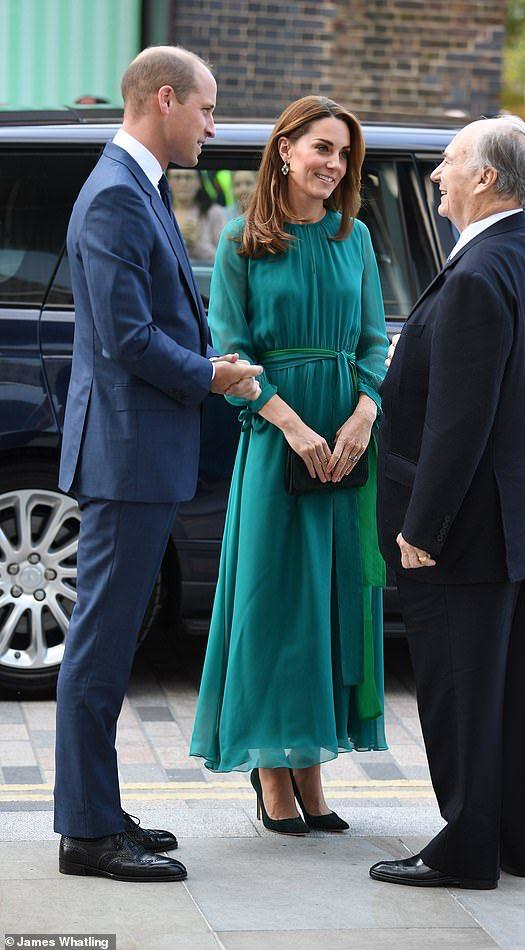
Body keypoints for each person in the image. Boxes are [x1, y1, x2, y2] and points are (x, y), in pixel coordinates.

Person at [54, 46, 262, 884]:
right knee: (100, 647)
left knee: (114, 640)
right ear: (165, 99)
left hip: (141, 451)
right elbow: (126, 339)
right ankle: (88, 835)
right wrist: (211, 374)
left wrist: (212, 356)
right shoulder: (113, 195)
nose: (213, 128)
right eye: (207, 110)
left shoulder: (134, 185)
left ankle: (95, 811)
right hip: (127, 456)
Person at [369, 116, 525, 889]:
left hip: (467, 528)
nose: (436, 176)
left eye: (450, 162)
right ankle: (515, 842)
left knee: (460, 694)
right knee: (511, 693)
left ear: (485, 178)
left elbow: (462, 418)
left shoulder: (481, 272)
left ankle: (464, 850)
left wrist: (423, 525)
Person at [190, 96, 388, 833]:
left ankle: (311, 764)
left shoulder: (355, 238)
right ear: (284, 151)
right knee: (276, 605)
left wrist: (364, 414)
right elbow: (232, 355)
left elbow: (374, 342)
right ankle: (272, 770)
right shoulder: (242, 241)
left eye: (343, 155)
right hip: (277, 442)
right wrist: (292, 425)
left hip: (345, 442)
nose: (333, 166)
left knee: (331, 604)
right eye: (321, 149)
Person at [167, 168, 225, 262]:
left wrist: (196, 244)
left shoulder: (214, 213)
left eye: (188, 177)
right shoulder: (160, 210)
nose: (183, 182)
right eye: (177, 177)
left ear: (199, 182)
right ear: (168, 181)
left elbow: (223, 259)